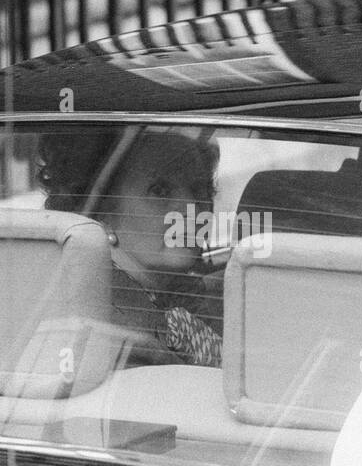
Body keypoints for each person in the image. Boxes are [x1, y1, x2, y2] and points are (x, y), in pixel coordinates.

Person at [37, 128, 224, 367]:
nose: (191, 207)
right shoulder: (112, 331)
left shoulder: (190, 300)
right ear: (103, 213)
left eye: (201, 190)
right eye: (160, 191)